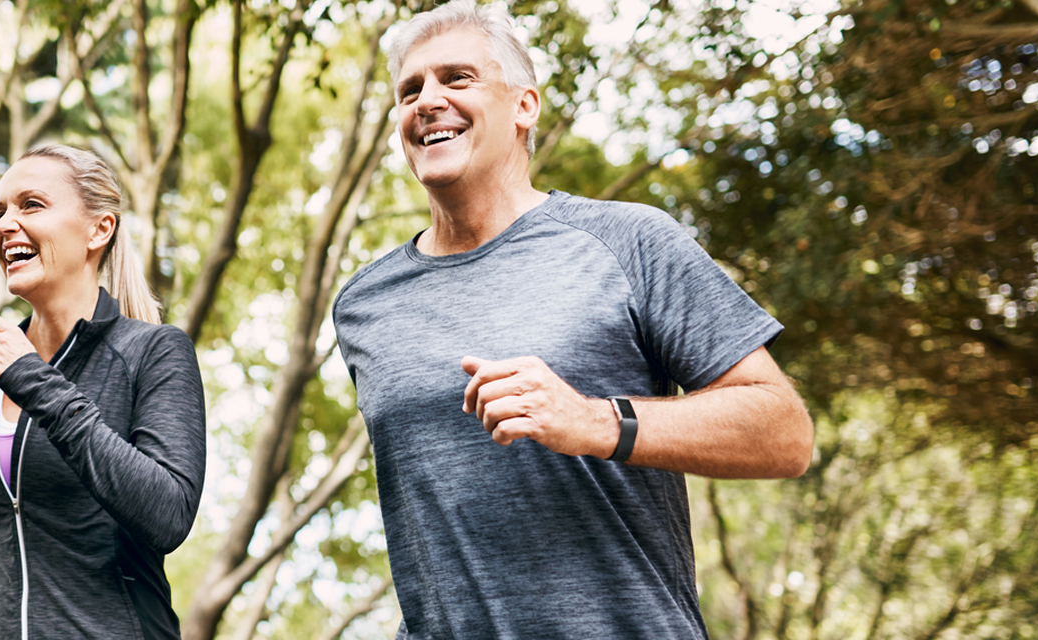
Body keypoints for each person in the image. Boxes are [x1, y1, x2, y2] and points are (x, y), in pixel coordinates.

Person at [330, 1, 815, 637]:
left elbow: (784, 432)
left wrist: (594, 421)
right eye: (409, 90)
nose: (428, 101)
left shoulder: (630, 241)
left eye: (457, 78)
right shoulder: (365, 305)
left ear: (524, 105)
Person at [0, 144, 206, 639]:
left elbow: (169, 514)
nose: (5, 225)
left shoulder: (153, 352)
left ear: (99, 229)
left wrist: (32, 378)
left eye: (31, 205)